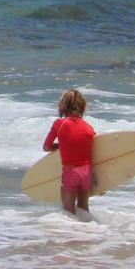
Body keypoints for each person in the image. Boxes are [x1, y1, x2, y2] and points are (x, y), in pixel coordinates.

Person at [44, 89, 97, 218]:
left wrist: (59, 145)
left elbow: (46, 147)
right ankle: (90, 233)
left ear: (63, 106)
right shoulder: (88, 126)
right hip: (87, 172)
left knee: (69, 213)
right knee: (84, 209)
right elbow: (92, 145)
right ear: (82, 106)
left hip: (71, 172)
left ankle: (72, 236)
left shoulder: (59, 124)